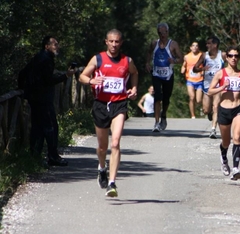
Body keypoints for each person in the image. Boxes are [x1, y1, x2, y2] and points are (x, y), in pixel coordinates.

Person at [79, 29, 138, 197]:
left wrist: (133, 89)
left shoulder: (127, 61)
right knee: (103, 147)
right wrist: (91, 80)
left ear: (121, 42)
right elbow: (82, 76)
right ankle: (101, 167)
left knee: (116, 142)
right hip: (100, 104)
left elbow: (134, 73)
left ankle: (112, 182)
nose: (114, 44)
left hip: (119, 104)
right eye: (111, 41)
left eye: (117, 41)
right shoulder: (98, 59)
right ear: (106, 42)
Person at [208, 46, 240, 180]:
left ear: (239, 58)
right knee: (226, 142)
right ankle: (223, 158)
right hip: (224, 110)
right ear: (227, 57)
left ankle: (235, 168)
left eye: (236, 56)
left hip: (238, 108)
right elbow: (210, 91)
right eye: (231, 55)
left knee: (237, 137)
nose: (234, 58)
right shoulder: (221, 73)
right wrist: (222, 87)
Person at [28, 36, 75, 167]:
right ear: (46, 46)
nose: (57, 46)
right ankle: (53, 156)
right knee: (51, 127)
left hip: (35, 98)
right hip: (42, 98)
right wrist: (65, 76)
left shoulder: (39, 57)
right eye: (55, 44)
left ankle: (34, 157)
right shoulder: (46, 59)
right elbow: (48, 80)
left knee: (37, 128)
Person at [145, 22, 183, 132]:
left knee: (166, 99)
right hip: (156, 74)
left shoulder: (173, 44)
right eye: (160, 33)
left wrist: (174, 61)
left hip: (168, 75)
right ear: (158, 33)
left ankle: (164, 115)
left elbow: (181, 59)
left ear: (167, 32)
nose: (162, 35)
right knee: (157, 97)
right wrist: (147, 63)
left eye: (164, 32)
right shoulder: (154, 43)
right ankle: (156, 123)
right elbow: (149, 53)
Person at [193, 36, 226, 139]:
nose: (207, 45)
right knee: (206, 110)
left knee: (216, 106)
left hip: (218, 86)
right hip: (207, 86)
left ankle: (213, 130)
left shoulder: (223, 55)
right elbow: (194, 69)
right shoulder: (204, 56)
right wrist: (202, 69)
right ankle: (209, 113)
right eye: (207, 43)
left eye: (209, 43)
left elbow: (231, 65)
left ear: (215, 45)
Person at [181, 42, 204, 119]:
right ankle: (193, 115)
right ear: (190, 48)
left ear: (198, 48)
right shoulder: (187, 56)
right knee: (191, 97)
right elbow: (184, 65)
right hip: (190, 80)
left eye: (196, 46)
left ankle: (204, 107)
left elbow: (205, 65)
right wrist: (182, 70)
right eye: (193, 46)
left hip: (199, 80)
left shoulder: (202, 55)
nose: (195, 47)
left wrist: (203, 72)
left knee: (198, 100)